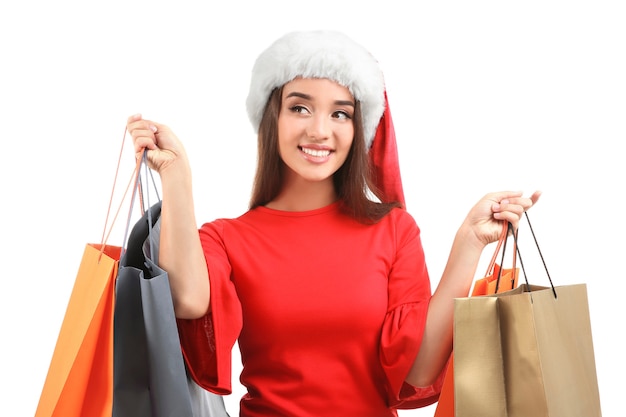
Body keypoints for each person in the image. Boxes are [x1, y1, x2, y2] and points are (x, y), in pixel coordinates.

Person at [127, 30, 541, 417]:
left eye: (340, 114)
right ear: (273, 117)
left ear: (358, 128)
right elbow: (186, 301)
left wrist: (468, 243)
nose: (319, 130)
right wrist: (177, 177)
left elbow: (416, 371)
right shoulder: (226, 238)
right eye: (300, 107)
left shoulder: (394, 230)